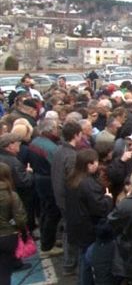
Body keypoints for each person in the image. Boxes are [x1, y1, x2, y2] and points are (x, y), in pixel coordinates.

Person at [65, 149, 114, 285]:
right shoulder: (89, 184)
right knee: (87, 259)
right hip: (89, 227)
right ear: (89, 165)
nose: (98, 164)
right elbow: (100, 208)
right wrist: (108, 199)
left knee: (82, 255)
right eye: (96, 162)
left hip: (76, 224)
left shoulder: (71, 178)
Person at [28, 119, 63, 258]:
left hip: (40, 179)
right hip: (48, 181)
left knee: (45, 211)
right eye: (56, 127)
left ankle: (47, 240)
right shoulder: (50, 147)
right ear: (51, 130)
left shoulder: (35, 141)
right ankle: (47, 246)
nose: (57, 130)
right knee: (52, 213)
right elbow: (57, 166)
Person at [51, 121, 82, 276]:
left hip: (60, 197)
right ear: (76, 135)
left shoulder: (60, 150)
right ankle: (70, 264)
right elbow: (72, 182)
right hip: (67, 201)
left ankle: (68, 261)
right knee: (71, 232)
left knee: (67, 230)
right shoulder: (71, 155)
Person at [0, 162, 29, 284]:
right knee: (5, 272)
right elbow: (20, 218)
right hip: (7, 235)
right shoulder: (11, 195)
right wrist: (24, 233)